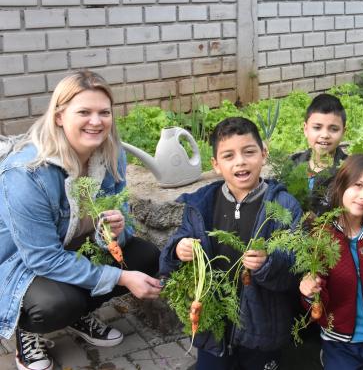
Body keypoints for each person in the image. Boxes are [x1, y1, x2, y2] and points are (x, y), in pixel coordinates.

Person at [0, 71, 162, 370]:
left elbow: (123, 219)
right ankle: (27, 331)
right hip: (19, 262)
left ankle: (79, 318)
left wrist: (112, 232)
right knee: (58, 304)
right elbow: (42, 258)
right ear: (60, 116)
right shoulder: (27, 173)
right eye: (84, 112)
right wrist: (121, 278)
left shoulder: (111, 154)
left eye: (104, 112)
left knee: (146, 257)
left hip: (73, 247)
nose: (96, 121)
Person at [159, 117, 302, 369]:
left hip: (262, 328)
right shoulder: (201, 205)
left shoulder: (284, 206)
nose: (240, 161)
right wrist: (178, 249)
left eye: (249, 152)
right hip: (213, 325)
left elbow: (295, 270)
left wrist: (268, 263)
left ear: (263, 154)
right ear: (215, 164)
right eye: (228, 155)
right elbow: (172, 255)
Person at [299, 154, 363, 370]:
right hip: (338, 343)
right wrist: (310, 291)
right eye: (358, 185)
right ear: (342, 184)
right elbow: (320, 300)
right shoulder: (321, 236)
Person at [291, 93, 348, 214]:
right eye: (317, 127)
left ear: (344, 132)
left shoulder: (349, 169)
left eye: (334, 129)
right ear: (306, 129)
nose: (325, 135)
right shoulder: (292, 165)